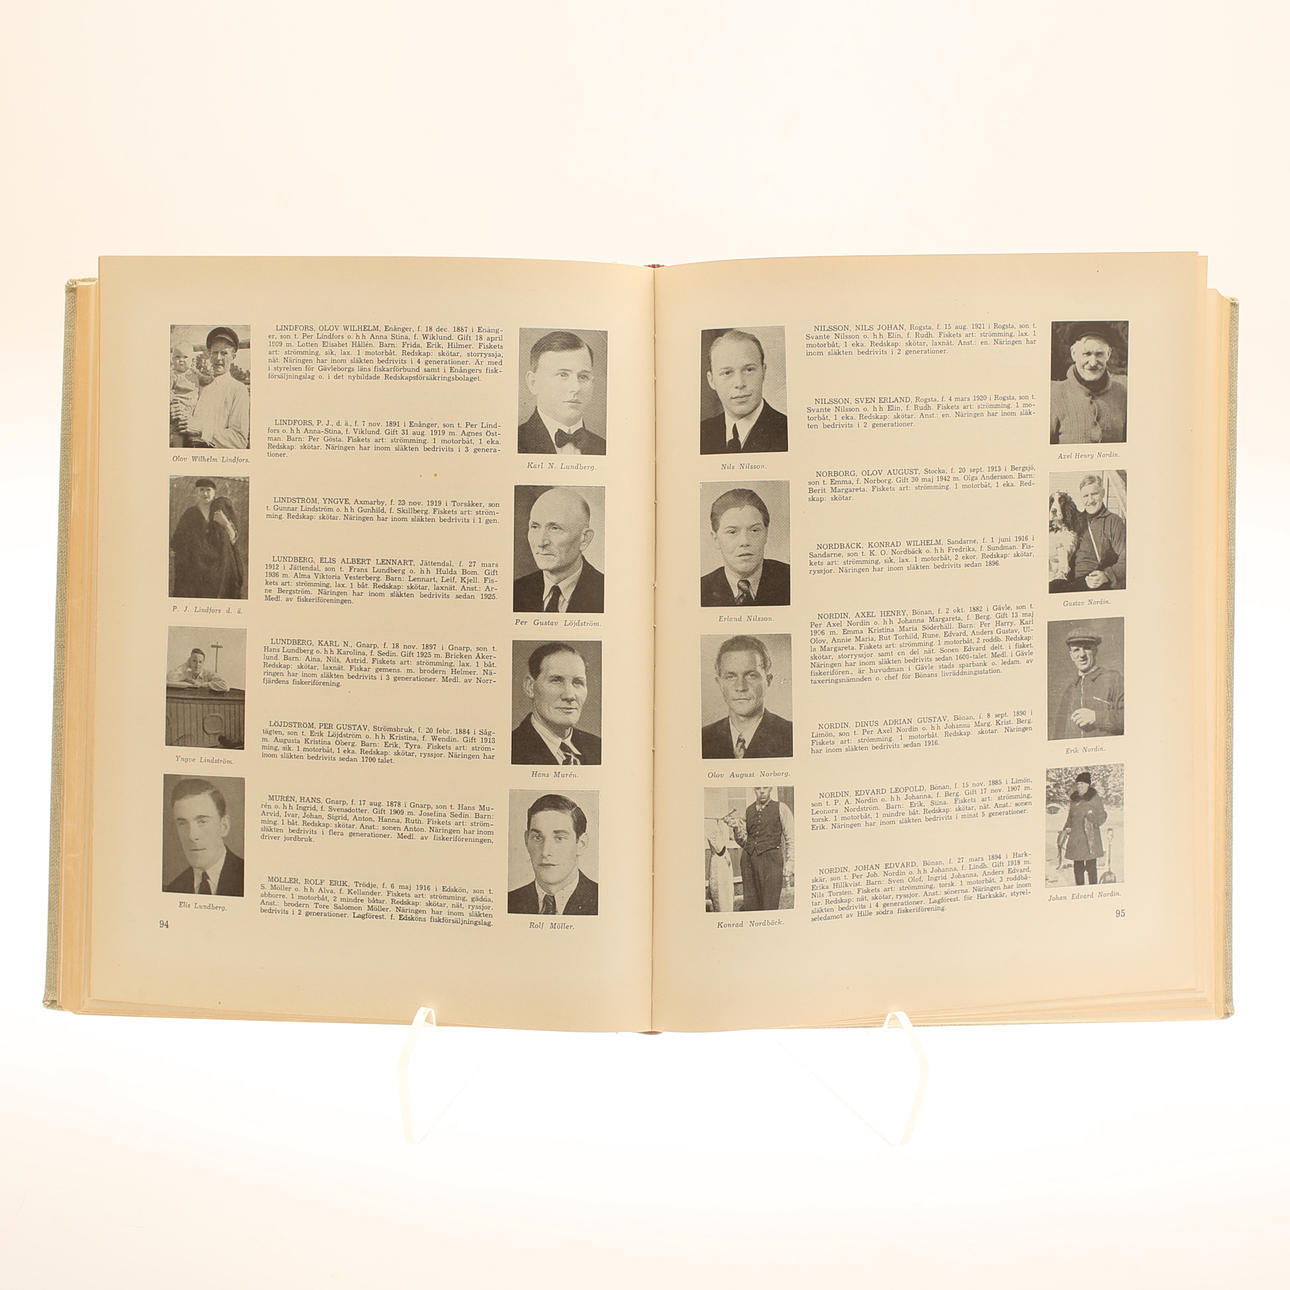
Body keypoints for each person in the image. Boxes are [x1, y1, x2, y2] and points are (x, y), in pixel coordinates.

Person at [512, 487, 604, 613]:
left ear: (584, 539)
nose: (540, 542)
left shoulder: (606, 592)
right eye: (535, 527)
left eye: (555, 528)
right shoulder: (516, 591)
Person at [701, 635, 793, 758]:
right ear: (720, 683)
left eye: (751, 675)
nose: (741, 687)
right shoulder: (703, 738)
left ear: (768, 680)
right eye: (731, 676)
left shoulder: (791, 736)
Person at [511, 641, 602, 765]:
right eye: (556, 681)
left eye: (577, 682)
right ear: (530, 687)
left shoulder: (598, 748)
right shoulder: (512, 749)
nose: (569, 696)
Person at [700, 329, 789, 454]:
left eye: (749, 370)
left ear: (763, 372)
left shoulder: (788, 431)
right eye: (727, 373)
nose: (739, 383)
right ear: (711, 380)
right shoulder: (701, 433)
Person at [508, 793, 598, 916]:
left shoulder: (602, 901)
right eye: (537, 838)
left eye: (559, 838)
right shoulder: (510, 902)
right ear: (526, 840)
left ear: (581, 844)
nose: (545, 852)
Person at [518, 331, 606, 455]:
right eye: (563, 375)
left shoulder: (603, 447)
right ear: (533, 383)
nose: (575, 388)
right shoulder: (515, 442)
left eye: (583, 376)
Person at [700, 487, 790, 606]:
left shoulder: (791, 579)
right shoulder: (701, 590)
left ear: (766, 534)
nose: (745, 541)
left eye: (754, 530)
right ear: (715, 539)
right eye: (732, 532)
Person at [172, 326, 250, 449]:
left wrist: (201, 430)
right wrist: (175, 411)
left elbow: (239, 440)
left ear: (233, 356)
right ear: (209, 354)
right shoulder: (198, 385)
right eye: (215, 352)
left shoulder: (238, 389)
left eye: (224, 353)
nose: (218, 358)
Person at [164, 778, 244, 896]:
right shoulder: (174, 889)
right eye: (182, 823)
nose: (192, 836)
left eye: (202, 821)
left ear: (224, 826)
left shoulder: (247, 877)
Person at [1050, 323, 1127, 444]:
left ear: (1108, 354)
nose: (1093, 362)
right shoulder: (1055, 396)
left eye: (1099, 354)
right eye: (1086, 354)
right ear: (1073, 354)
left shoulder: (1122, 394)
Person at [170, 478, 245, 599]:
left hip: (221, 564)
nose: (205, 493)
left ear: (214, 492)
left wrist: (225, 523)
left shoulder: (223, 510)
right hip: (196, 566)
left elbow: (233, 539)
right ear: (197, 492)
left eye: (208, 490)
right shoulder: (190, 514)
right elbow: (178, 539)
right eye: (201, 490)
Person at [729, 786, 795, 911]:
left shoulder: (781, 808)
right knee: (750, 906)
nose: (762, 791)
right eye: (758, 788)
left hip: (771, 863)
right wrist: (736, 828)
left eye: (765, 788)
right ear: (754, 790)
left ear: (770, 789)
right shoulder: (748, 811)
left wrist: (790, 863)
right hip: (748, 863)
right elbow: (743, 842)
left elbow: (791, 838)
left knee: (769, 906)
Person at [1051, 629, 1124, 739]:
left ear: (1095, 651)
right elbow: (1058, 733)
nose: (1082, 655)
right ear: (1071, 656)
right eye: (1076, 650)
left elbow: (1132, 718)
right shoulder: (1070, 690)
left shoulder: (1113, 679)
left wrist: (1096, 717)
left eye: (1087, 648)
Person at [1063, 474, 1126, 591]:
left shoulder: (1114, 521)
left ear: (1103, 493)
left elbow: (1126, 558)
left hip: (1096, 581)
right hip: (1071, 580)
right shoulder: (1075, 521)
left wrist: (1106, 575)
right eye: (1085, 496)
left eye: (1094, 494)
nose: (1090, 500)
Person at [1057, 772, 1107, 886]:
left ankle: (1093, 888)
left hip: (1090, 837)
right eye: (1078, 784)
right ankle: (1079, 887)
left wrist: (1093, 819)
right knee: (1078, 866)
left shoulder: (1094, 798)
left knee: (1091, 865)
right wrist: (1066, 828)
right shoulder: (1074, 799)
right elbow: (1070, 816)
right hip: (1076, 837)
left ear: (1088, 784)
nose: (1079, 786)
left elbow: (1103, 815)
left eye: (1082, 784)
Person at [169, 343, 201, 443]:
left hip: (191, 412)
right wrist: (171, 401)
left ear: (192, 360)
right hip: (179, 411)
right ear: (172, 359)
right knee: (178, 434)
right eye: (177, 357)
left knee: (192, 436)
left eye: (185, 357)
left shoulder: (194, 374)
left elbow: (205, 380)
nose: (181, 360)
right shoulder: (173, 375)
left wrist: (210, 378)